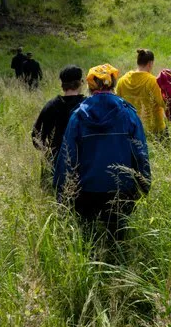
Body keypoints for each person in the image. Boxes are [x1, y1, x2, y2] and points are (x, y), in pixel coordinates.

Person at [54, 64, 150, 241]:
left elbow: (67, 155)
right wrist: (145, 183)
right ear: (113, 83)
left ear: (89, 86)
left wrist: (61, 191)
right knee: (118, 242)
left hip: (86, 192)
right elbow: (140, 151)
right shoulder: (128, 114)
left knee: (88, 242)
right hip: (122, 190)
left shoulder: (78, 116)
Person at [32, 65, 86, 158]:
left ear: (62, 84)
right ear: (81, 82)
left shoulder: (51, 106)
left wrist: (47, 151)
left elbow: (36, 135)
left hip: (54, 161)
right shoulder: (87, 106)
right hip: (82, 162)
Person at [116, 48, 168, 138]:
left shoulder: (122, 80)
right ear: (150, 63)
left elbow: (117, 103)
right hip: (154, 130)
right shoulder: (152, 81)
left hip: (131, 129)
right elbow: (163, 103)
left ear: (138, 62)